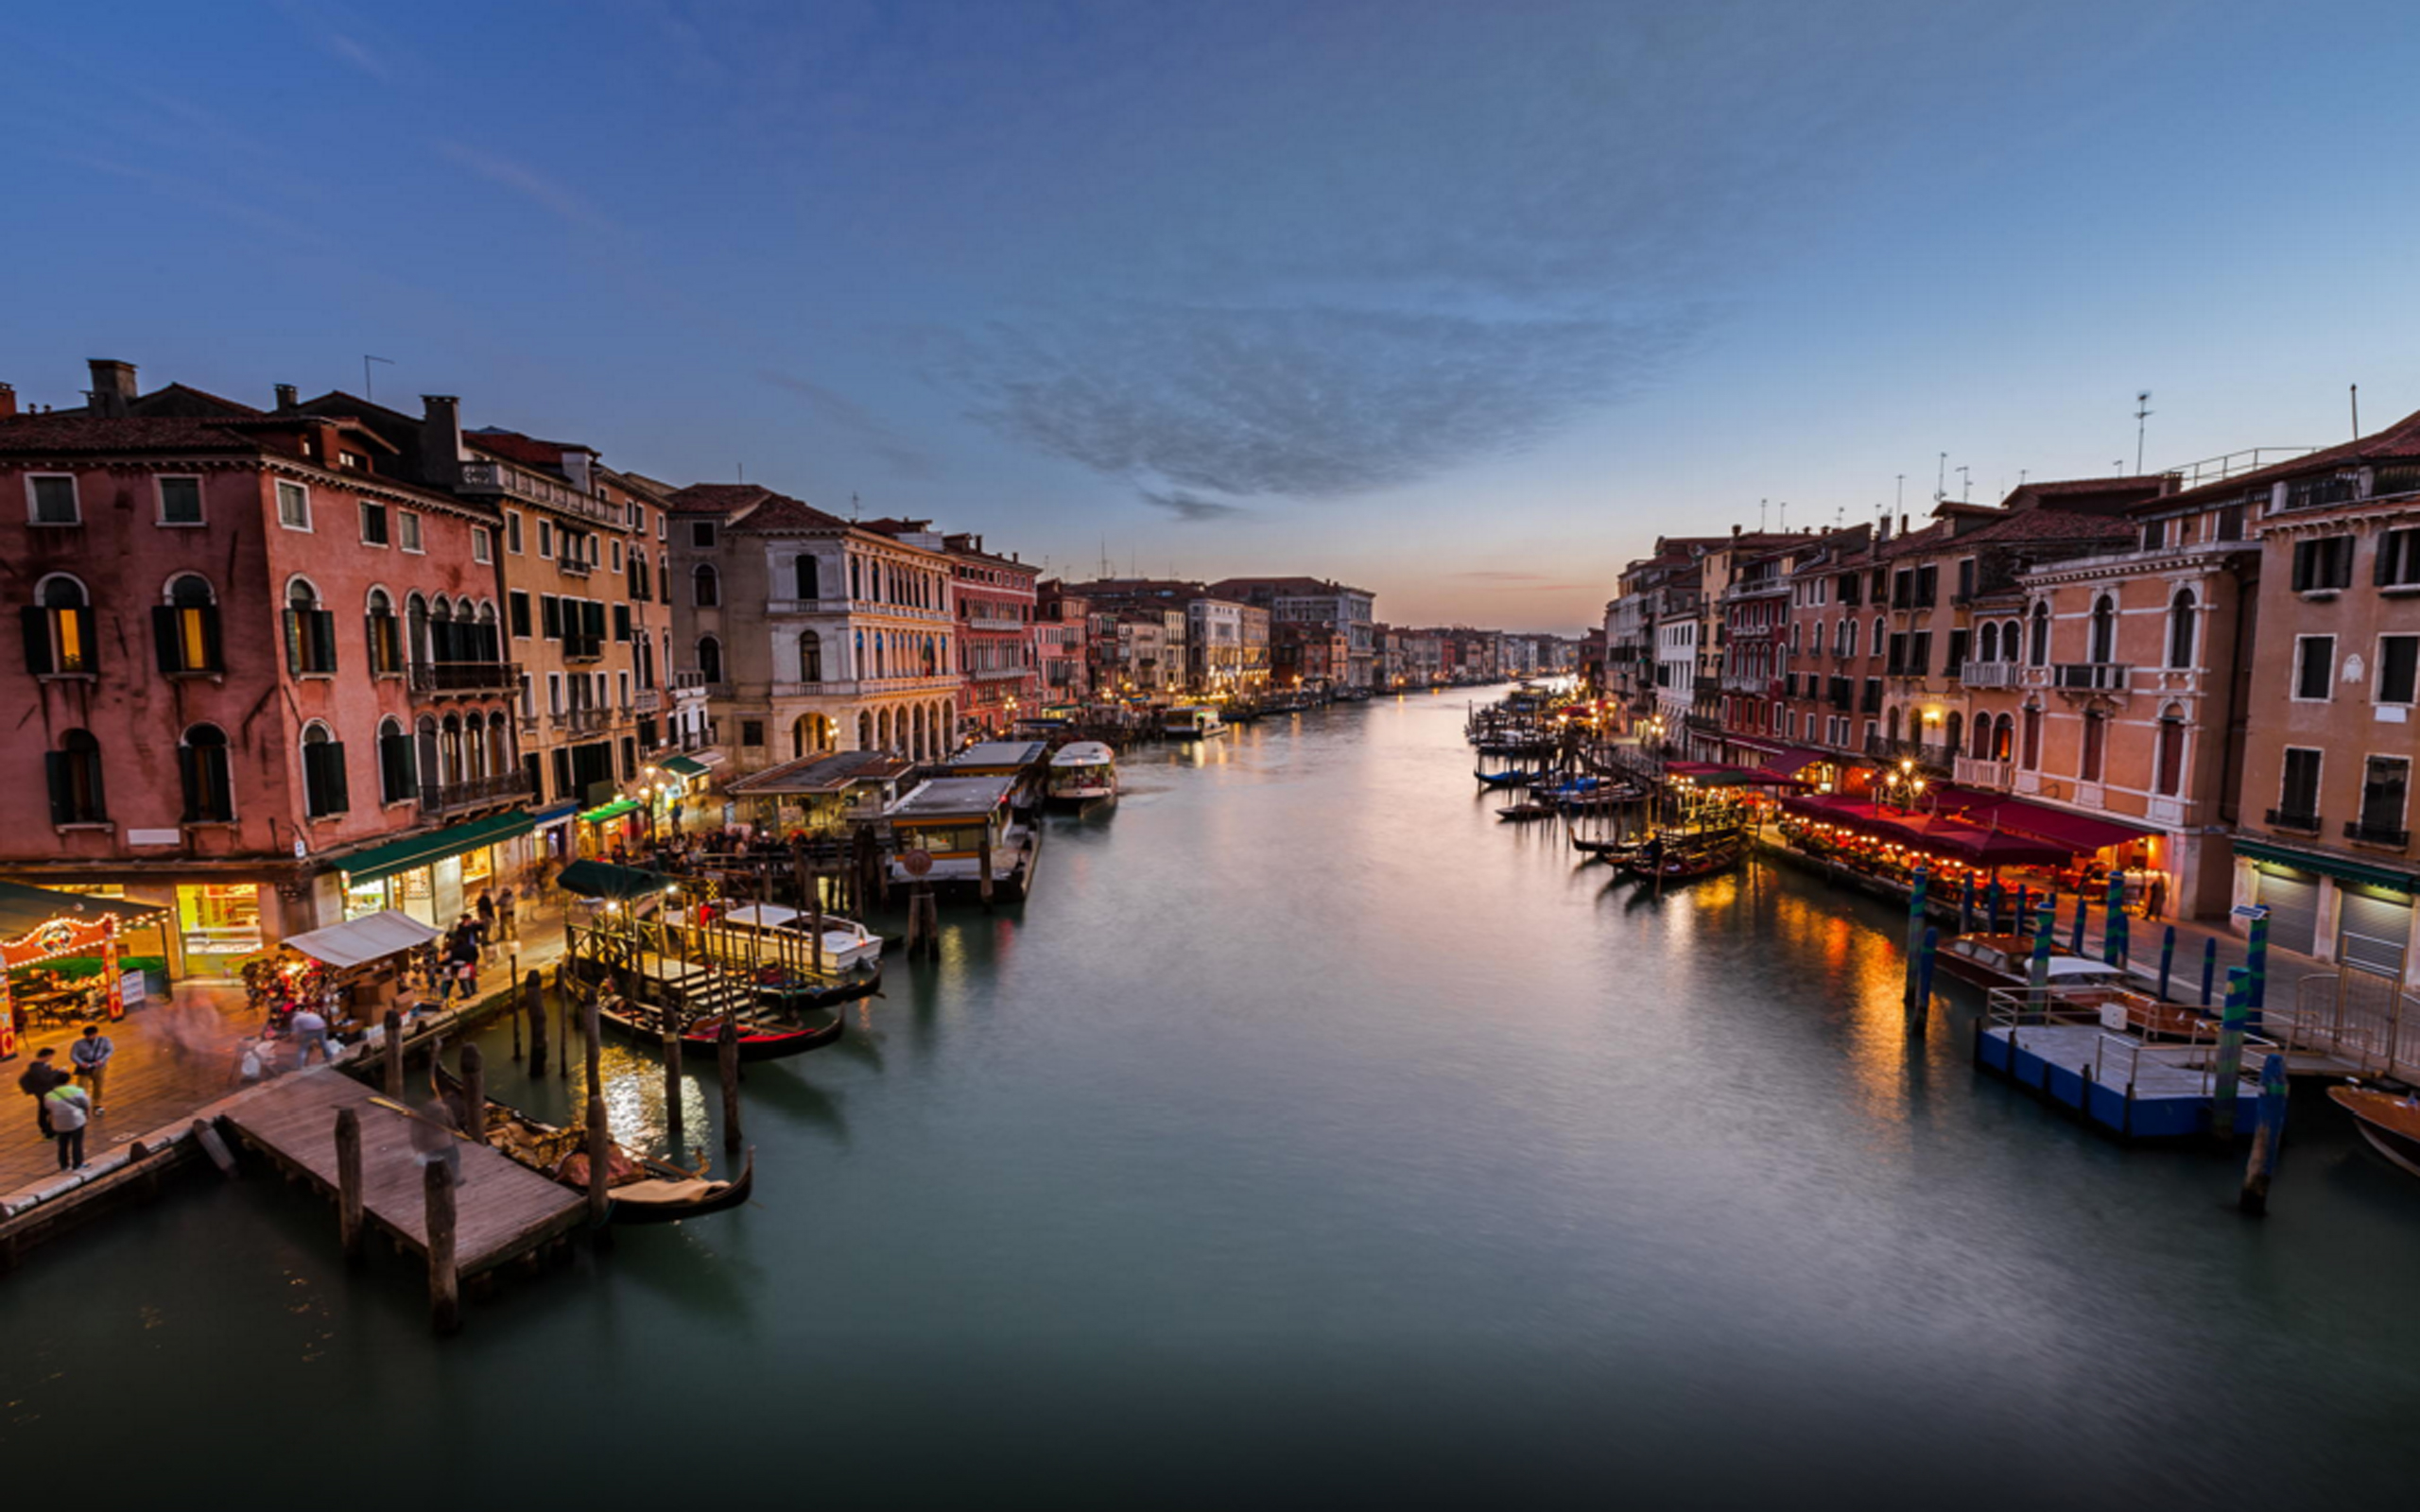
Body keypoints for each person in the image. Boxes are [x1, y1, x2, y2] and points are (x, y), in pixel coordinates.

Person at [19, 1047, 67, 1138]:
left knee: (45, 1110)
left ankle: (49, 1129)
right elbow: (45, 1079)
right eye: (51, 1056)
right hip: (43, 1092)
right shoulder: (36, 1068)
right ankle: (48, 1130)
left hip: (46, 1091)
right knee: (47, 1111)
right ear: (46, 1056)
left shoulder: (43, 1066)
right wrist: (57, 1071)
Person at [45, 1078, 91, 1169]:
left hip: (59, 1123)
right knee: (77, 1142)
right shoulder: (76, 1090)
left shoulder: (49, 1095)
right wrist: (87, 1114)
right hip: (75, 1120)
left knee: (62, 1144)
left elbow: (48, 1108)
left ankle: (64, 1165)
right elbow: (86, 1102)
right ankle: (78, 1163)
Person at [68, 1022, 112, 1113]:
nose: (89, 1038)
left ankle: (97, 1103)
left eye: (91, 1035)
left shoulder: (104, 1040)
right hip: (85, 1067)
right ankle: (82, 1104)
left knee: (98, 1085)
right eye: (87, 1036)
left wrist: (102, 1060)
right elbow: (73, 1055)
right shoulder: (78, 1044)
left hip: (99, 1066)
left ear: (96, 1034)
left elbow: (110, 1050)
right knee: (82, 1086)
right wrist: (81, 1063)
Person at [290, 1003, 330, 1069]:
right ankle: (329, 1056)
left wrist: (296, 1038)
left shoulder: (296, 1019)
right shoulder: (311, 1014)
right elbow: (321, 1021)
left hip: (309, 1031)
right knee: (323, 1043)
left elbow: (296, 1031)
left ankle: (299, 1065)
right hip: (321, 1028)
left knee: (303, 1048)